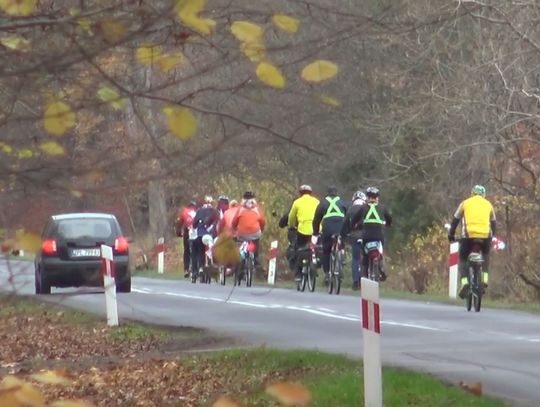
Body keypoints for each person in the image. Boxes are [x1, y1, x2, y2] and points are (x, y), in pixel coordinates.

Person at [447, 184, 496, 299]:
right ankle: (484, 280)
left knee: (463, 258)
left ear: (472, 193)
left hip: (468, 237)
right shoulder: (488, 205)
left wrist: (451, 235)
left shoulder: (465, 203)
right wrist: (491, 237)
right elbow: (493, 223)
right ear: (484, 194)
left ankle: (464, 283)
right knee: (486, 256)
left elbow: (455, 220)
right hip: (485, 237)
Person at [349, 186, 392, 281]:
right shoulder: (382, 208)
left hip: (366, 236)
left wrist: (353, 226)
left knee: (364, 255)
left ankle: (364, 274)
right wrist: (388, 225)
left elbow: (354, 220)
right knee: (381, 249)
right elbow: (389, 218)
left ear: (367, 198)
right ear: (377, 198)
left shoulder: (363, 208)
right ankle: (381, 266)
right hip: (378, 235)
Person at [312, 186, 348, 284]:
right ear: (337, 193)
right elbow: (349, 216)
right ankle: (342, 256)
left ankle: (328, 273)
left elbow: (316, 220)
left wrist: (315, 232)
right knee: (341, 242)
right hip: (340, 226)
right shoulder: (343, 202)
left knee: (326, 250)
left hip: (328, 227)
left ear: (327, 194)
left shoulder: (322, 203)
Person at [287, 184, 320, 279]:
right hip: (316, 230)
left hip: (303, 230)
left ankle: (298, 273)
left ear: (300, 193)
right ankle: (315, 262)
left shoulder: (297, 202)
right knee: (316, 246)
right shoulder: (317, 202)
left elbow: (291, 217)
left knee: (298, 248)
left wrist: (291, 226)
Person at [341, 190, 367, 290]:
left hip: (354, 236)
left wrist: (343, 235)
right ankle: (367, 279)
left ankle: (356, 281)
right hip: (365, 236)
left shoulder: (350, 209)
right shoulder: (366, 208)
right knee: (366, 258)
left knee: (355, 259)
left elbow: (345, 224)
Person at [191, 196, 220, 276]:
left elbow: (194, 224)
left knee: (195, 251)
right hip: (213, 236)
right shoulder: (215, 211)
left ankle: (196, 269)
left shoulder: (199, 210)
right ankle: (214, 266)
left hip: (201, 235)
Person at [232, 197, 266, 265]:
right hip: (255, 233)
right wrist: (261, 229)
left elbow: (234, 223)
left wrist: (235, 229)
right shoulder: (257, 209)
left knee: (240, 245)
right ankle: (255, 258)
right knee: (256, 242)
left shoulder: (240, 209)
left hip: (242, 234)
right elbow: (263, 222)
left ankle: (240, 263)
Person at [175, 200, 198, 278]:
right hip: (197, 232)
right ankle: (198, 267)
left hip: (188, 232)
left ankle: (186, 269)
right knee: (198, 250)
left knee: (187, 251)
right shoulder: (197, 211)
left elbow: (179, 224)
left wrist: (178, 233)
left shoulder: (184, 212)